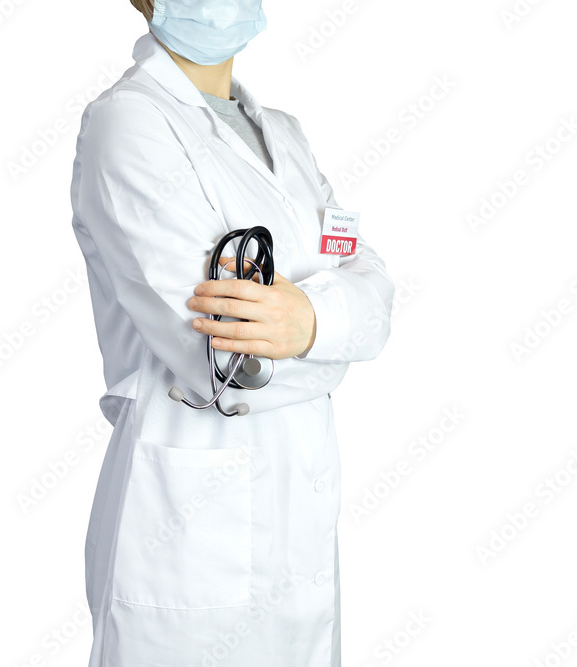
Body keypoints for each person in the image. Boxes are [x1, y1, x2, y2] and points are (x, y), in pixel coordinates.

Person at [69, 1, 395, 665]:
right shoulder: (128, 124)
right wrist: (332, 330)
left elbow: (376, 291)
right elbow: (220, 359)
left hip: (302, 516)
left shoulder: (285, 134)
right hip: (187, 527)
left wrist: (309, 321)